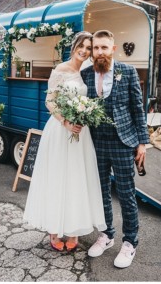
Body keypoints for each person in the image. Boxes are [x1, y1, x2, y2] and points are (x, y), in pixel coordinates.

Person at [23, 32, 105, 252]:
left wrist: (85, 116)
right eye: (82, 46)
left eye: (89, 48)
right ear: (75, 45)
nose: (85, 51)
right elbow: (49, 101)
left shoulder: (88, 72)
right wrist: (66, 122)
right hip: (61, 130)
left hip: (81, 133)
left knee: (76, 178)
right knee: (58, 177)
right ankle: (54, 229)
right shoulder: (60, 70)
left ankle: (72, 229)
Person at [81, 30, 149, 269]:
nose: (99, 52)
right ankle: (106, 235)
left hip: (123, 142)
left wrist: (143, 142)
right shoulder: (86, 74)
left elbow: (137, 109)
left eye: (104, 47)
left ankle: (130, 242)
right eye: (96, 48)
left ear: (113, 48)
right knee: (100, 193)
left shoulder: (128, 72)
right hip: (96, 142)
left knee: (126, 195)